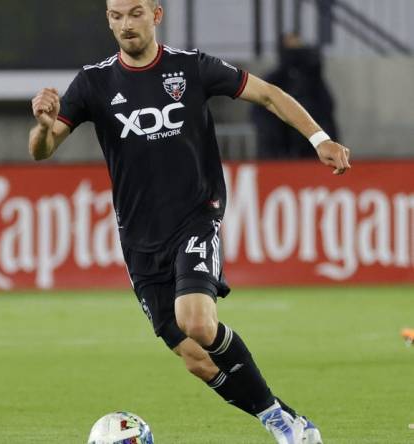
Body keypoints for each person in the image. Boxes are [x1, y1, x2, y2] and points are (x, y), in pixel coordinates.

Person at [27, 1, 351, 443]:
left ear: (156, 15)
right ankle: (282, 417)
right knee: (197, 359)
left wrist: (320, 138)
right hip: (139, 239)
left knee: (197, 320)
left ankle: (283, 429)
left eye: (135, 13)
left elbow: (269, 95)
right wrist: (45, 126)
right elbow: (41, 150)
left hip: (195, 216)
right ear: (108, 19)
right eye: (116, 16)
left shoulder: (191, 67)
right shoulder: (93, 82)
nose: (126, 25)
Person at [252, 33, 340, 159]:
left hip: (311, 146)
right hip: (283, 147)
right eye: (291, 46)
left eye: (297, 46)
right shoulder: (277, 79)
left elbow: (327, 106)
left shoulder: (312, 77)